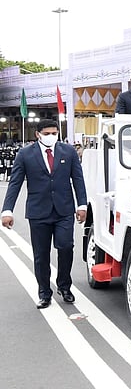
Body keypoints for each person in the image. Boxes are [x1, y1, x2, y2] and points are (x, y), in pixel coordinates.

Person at [2, 119, 88, 309]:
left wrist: (82, 205)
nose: (51, 136)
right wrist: (7, 210)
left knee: (66, 247)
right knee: (41, 254)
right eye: (47, 133)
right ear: (38, 134)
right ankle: (44, 292)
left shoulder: (69, 151)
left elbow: (78, 180)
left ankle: (64, 286)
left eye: (54, 133)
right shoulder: (25, 154)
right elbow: (15, 182)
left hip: (64, 210)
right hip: (38, 212)